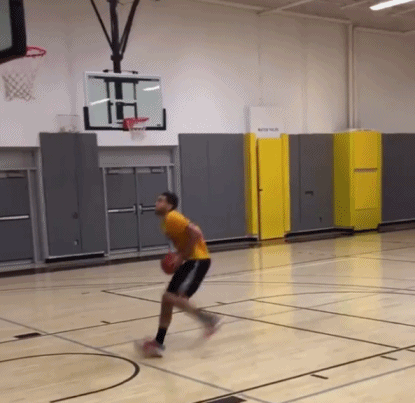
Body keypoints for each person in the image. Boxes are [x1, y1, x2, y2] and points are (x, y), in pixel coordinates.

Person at [139, 191, 220, 358]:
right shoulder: (165, 222)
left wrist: (181, 256)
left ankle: (208, 320)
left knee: (173, 298)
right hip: (190, 261)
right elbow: (186, 238)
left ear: (169, 205)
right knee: (167, 298)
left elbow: (196, 233)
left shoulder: (172, 217)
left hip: (198, 260)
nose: (156, 203)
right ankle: (158, 342)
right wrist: (178, 256)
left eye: (160, 201)